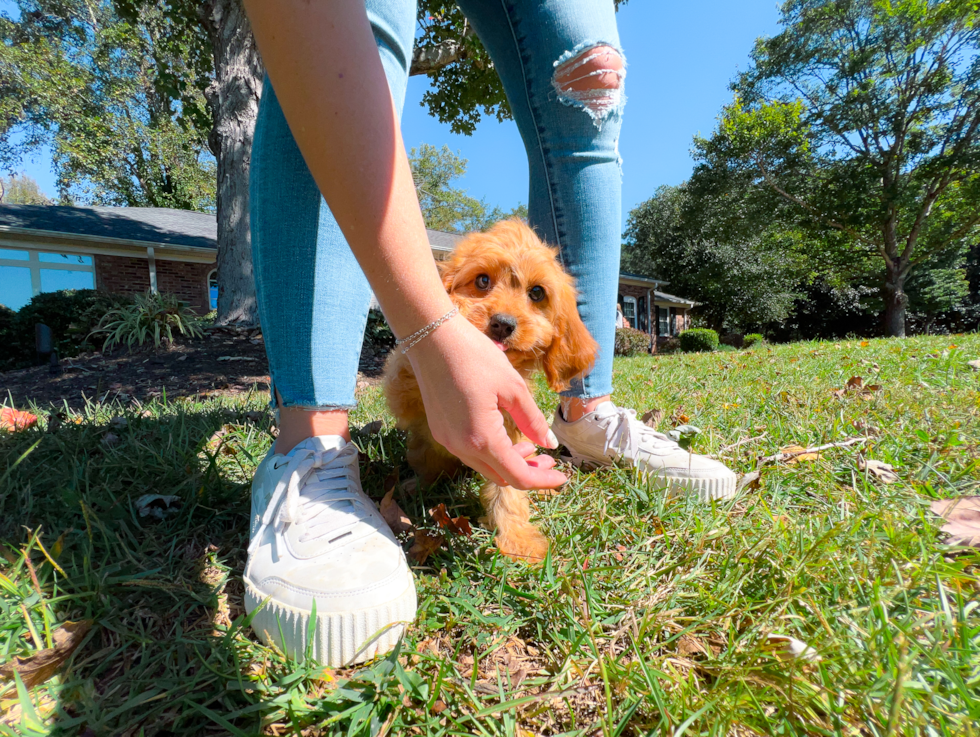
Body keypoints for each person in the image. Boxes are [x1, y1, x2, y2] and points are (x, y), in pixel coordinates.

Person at [241, 0, 737, 667]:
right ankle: (312, 443)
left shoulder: (554, 340)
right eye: (483, 284)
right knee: (356, 31)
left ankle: (585, 415)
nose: (504, 312)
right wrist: (433, 336)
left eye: (534, 295)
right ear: (454, 284)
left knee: (591, 77)